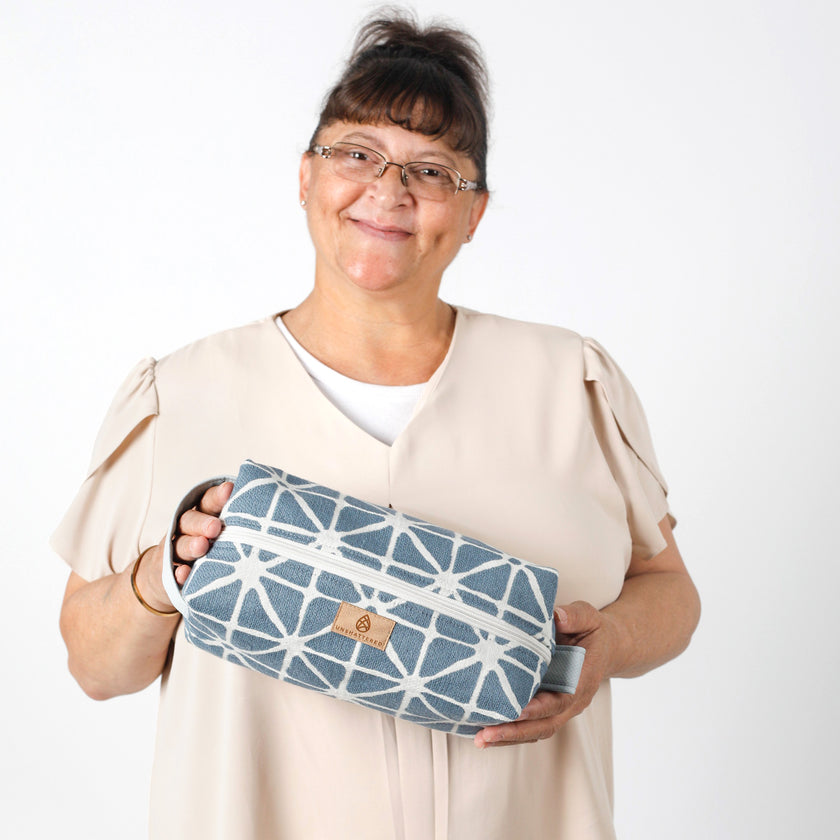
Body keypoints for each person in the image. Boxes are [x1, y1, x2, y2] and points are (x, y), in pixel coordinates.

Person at [54, 9, 700, 840]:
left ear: (475, 212)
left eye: (432, 171)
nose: (387, 191)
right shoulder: (181, 394)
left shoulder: (569, 384)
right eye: (356, 153)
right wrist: (161, 579)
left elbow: (671, 592)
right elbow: (91, 664)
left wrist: (605, 645)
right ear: (305, 176)